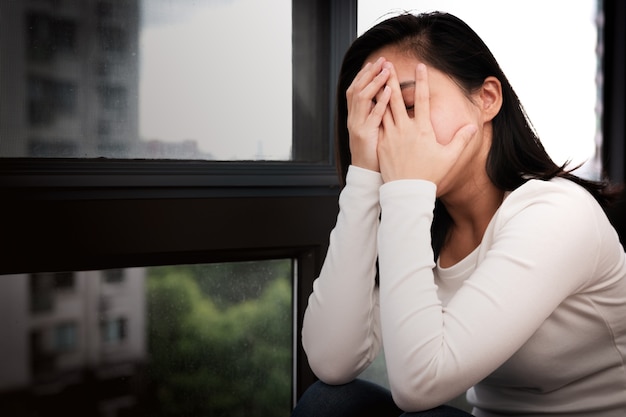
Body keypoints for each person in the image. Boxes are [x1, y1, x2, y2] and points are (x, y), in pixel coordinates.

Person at [291, 11, 626, 417]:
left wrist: (406, 191)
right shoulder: (416, 220)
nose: (394, 134)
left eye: (409, 105)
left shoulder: (556, 214)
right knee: (329, 403)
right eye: (375, 116)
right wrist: (364, 179)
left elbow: (418, 386)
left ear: (487, 99)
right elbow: (332, 361)